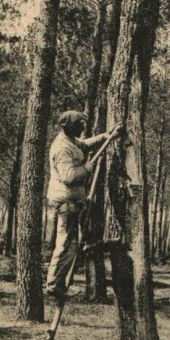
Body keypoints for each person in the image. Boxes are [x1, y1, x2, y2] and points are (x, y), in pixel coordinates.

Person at [45, 110, 120, 305]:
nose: (82, 128)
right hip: (65, 203)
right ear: (68, 126)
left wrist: (107, 136)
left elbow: (86, 144)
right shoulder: (61, 148)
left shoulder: (71, 141)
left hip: (74, 203)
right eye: (79, 125)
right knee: (66, 242)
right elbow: (69, 177)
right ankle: (54, 285)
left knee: (73, 243)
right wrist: (88, 168)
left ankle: (58, 282)